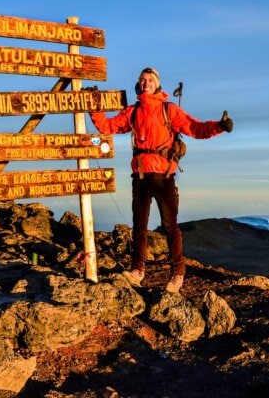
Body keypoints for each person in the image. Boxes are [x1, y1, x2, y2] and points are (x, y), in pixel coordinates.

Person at [88, 67, 233, 293]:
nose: (145, 83)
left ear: (157, 84)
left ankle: (177, 273)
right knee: (139, 226)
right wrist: (94, 108)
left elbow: (195, 128)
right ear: (139, 85)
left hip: (164, 177)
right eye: (142, 80)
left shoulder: (169, 110)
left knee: (170, 226)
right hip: (140, 176)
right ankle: (137, 271)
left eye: (150, 80)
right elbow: (108, 126)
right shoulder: (133, 112)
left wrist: (219, 127)